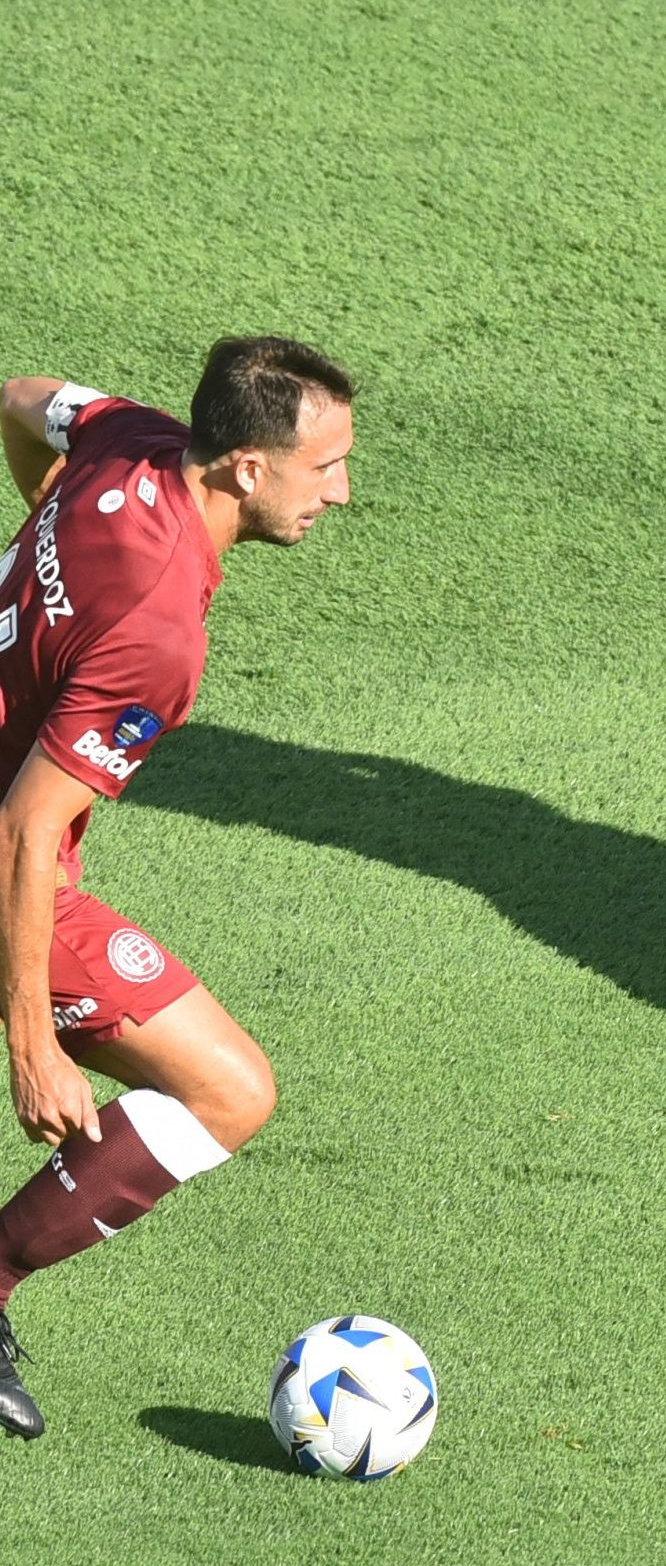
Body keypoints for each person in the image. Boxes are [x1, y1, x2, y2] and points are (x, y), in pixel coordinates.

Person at [0, 336, 356, 1438]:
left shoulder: (129, 438)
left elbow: (18, 399)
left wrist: (42, 527)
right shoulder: (157, 632)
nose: (342, 490)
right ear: (248, 465)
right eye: (324, 466)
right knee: (228, 1090)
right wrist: (33, 1044)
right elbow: (24, 828)